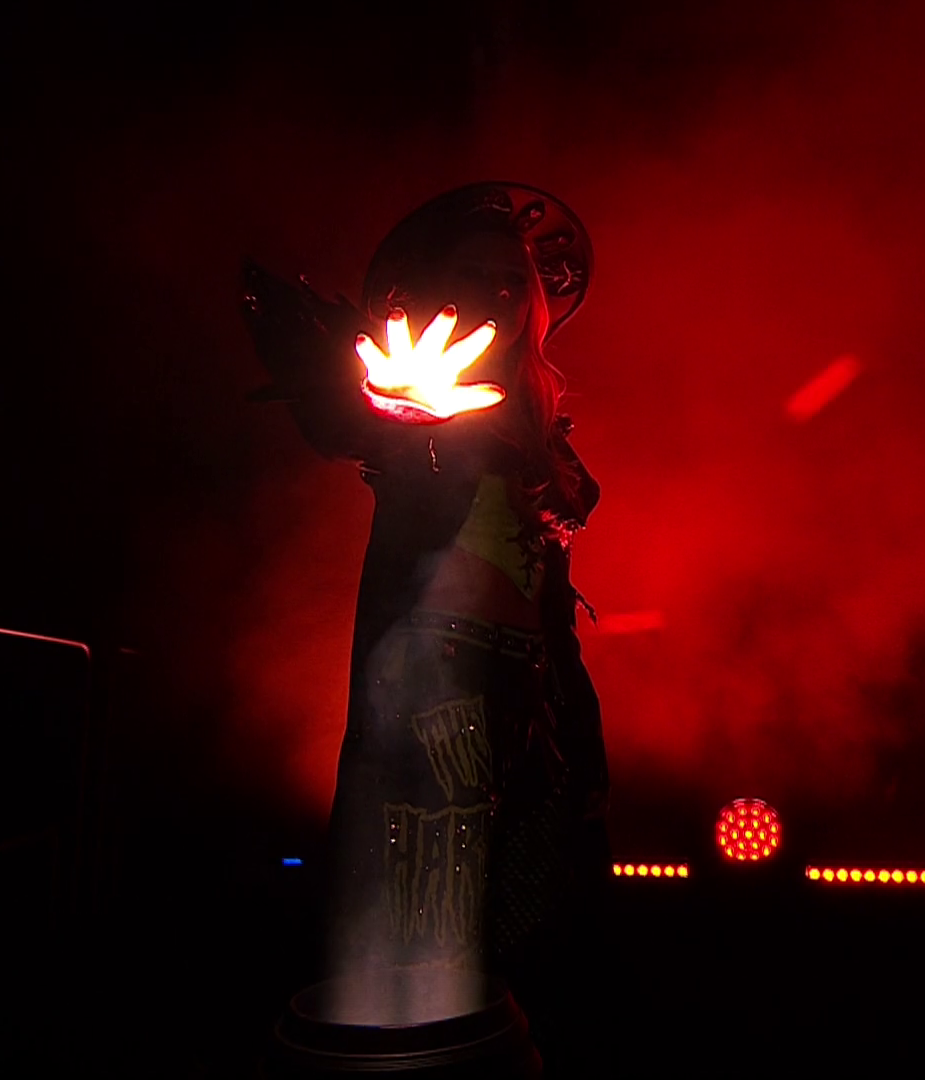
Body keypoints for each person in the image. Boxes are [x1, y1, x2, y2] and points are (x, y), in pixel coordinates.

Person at [239, 183, 611, 1066]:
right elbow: (343, 407)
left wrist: (569, 708)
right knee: (424, 913)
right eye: (474, 276)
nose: (498, 294)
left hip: (531, 693)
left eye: (512, 279)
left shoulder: (538, 421)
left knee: (527, 915)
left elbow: (547, 581)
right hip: (431, 693)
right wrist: (363, 384)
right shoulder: (404, 387)